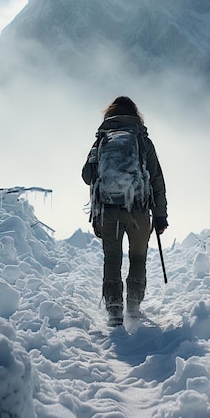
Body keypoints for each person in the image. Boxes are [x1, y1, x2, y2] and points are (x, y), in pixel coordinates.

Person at [82, 96, 168, 325]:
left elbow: (87, 176)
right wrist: (160, 216)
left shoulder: (101, 140)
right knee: (138, 258)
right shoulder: (141, 141)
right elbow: (157, 180)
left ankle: (114, 310)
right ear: (135, 115)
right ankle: (133, 306)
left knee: (112, 259)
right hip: (138, 210)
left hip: (109, 210)